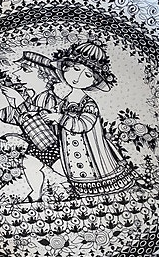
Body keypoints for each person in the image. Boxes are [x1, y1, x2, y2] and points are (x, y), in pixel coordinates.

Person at [42, 40, 133, 196]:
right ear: (66, 68)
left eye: (88, 74)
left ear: (94, 81)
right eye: (76, 69)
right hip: (70, 151)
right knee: (76, 172)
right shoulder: (64, 101)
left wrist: (59, 118)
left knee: (93, 171)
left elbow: (84, 125)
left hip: (90, 149)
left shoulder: (89, 104)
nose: (78, 77)